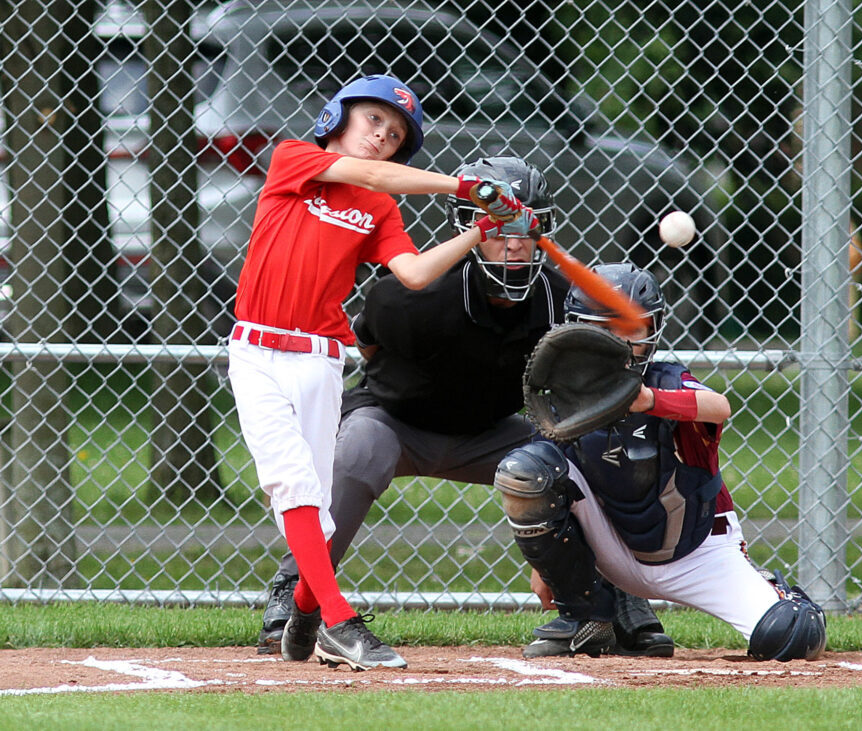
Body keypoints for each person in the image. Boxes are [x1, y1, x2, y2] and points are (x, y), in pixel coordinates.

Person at [257, 156, 675, 660]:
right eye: (500, 227)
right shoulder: (414, 296)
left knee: (582, 452)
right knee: (358, 453)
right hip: (396, 423)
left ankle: (613, 602)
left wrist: (551, 534)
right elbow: (368, 344)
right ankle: (296, 588)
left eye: (528, 226)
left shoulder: (557, 301)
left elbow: (584, 393)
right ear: (471, 228)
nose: (515, 242)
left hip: (490, 433)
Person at [229, 75, 533, 672]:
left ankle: (302, 613)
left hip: (318, 360)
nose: (382, 138)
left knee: (316, 502)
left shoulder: (378, 207)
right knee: (291, 484)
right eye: (373, 121)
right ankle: (339, 620)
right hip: (256, 353)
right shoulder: (297, 159)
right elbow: (368, 174)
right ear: (336, 117)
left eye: (394, 135)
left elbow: (414, 273)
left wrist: (479, 229)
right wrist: (463, 185)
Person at [495, 263, 828, 661]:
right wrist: (547, 567)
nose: (619, 342)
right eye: (605, 328)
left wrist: (649, 401)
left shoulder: (666, 380)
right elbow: (552, 478)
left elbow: (719, 406)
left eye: (632, 329)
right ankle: (587, 619)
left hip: (697, 550)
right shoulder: (565, 395)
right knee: (526, 470)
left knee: (791, 634)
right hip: (614, 546)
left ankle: (774, 591)